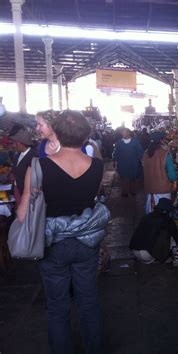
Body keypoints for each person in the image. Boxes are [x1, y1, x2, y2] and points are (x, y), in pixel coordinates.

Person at [17, 110, 109, 354]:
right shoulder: (98, 166)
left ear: (56, 132)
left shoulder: (39, 167)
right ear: (85, 136)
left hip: (52, 244)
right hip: (86, 242)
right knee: (88, 301)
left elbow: (23, 215)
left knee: (57, 306)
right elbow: (92, 197)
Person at [129, 198, 178, 263]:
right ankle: (162, 257)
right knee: (170, 236)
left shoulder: (147, 216)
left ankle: (153, 256)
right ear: (166, 211)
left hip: (135, 251)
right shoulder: (167, 220)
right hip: (147, 255)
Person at [142, 131, 177, 214]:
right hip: (163, 189)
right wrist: (174, 182)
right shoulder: (165, 153)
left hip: (150, 188)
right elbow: (171, 174)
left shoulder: (146, 153)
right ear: (161, 140)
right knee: (163, 213)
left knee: (151, 213)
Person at [112, 128, 144, 197]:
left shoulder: (135, 142)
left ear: (129, 133)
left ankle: (132, 191)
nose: (122, 134)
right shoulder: (119, 142)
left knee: (133, 179)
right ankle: (125, 192)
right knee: (124, 179)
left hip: (133, 164)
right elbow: (116, 153)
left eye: (124, 132)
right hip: (122, 164)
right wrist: (114, 161)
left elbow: (140, 152)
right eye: (122, 133)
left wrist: (142, 161)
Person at [10, 129, 37, 200]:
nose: (13, 145)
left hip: (26, 194)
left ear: (20, 143)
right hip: (17, 189)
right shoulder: (18, 154)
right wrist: (12, 173)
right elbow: (15, 169)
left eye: (14, 143)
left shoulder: (34, 156)